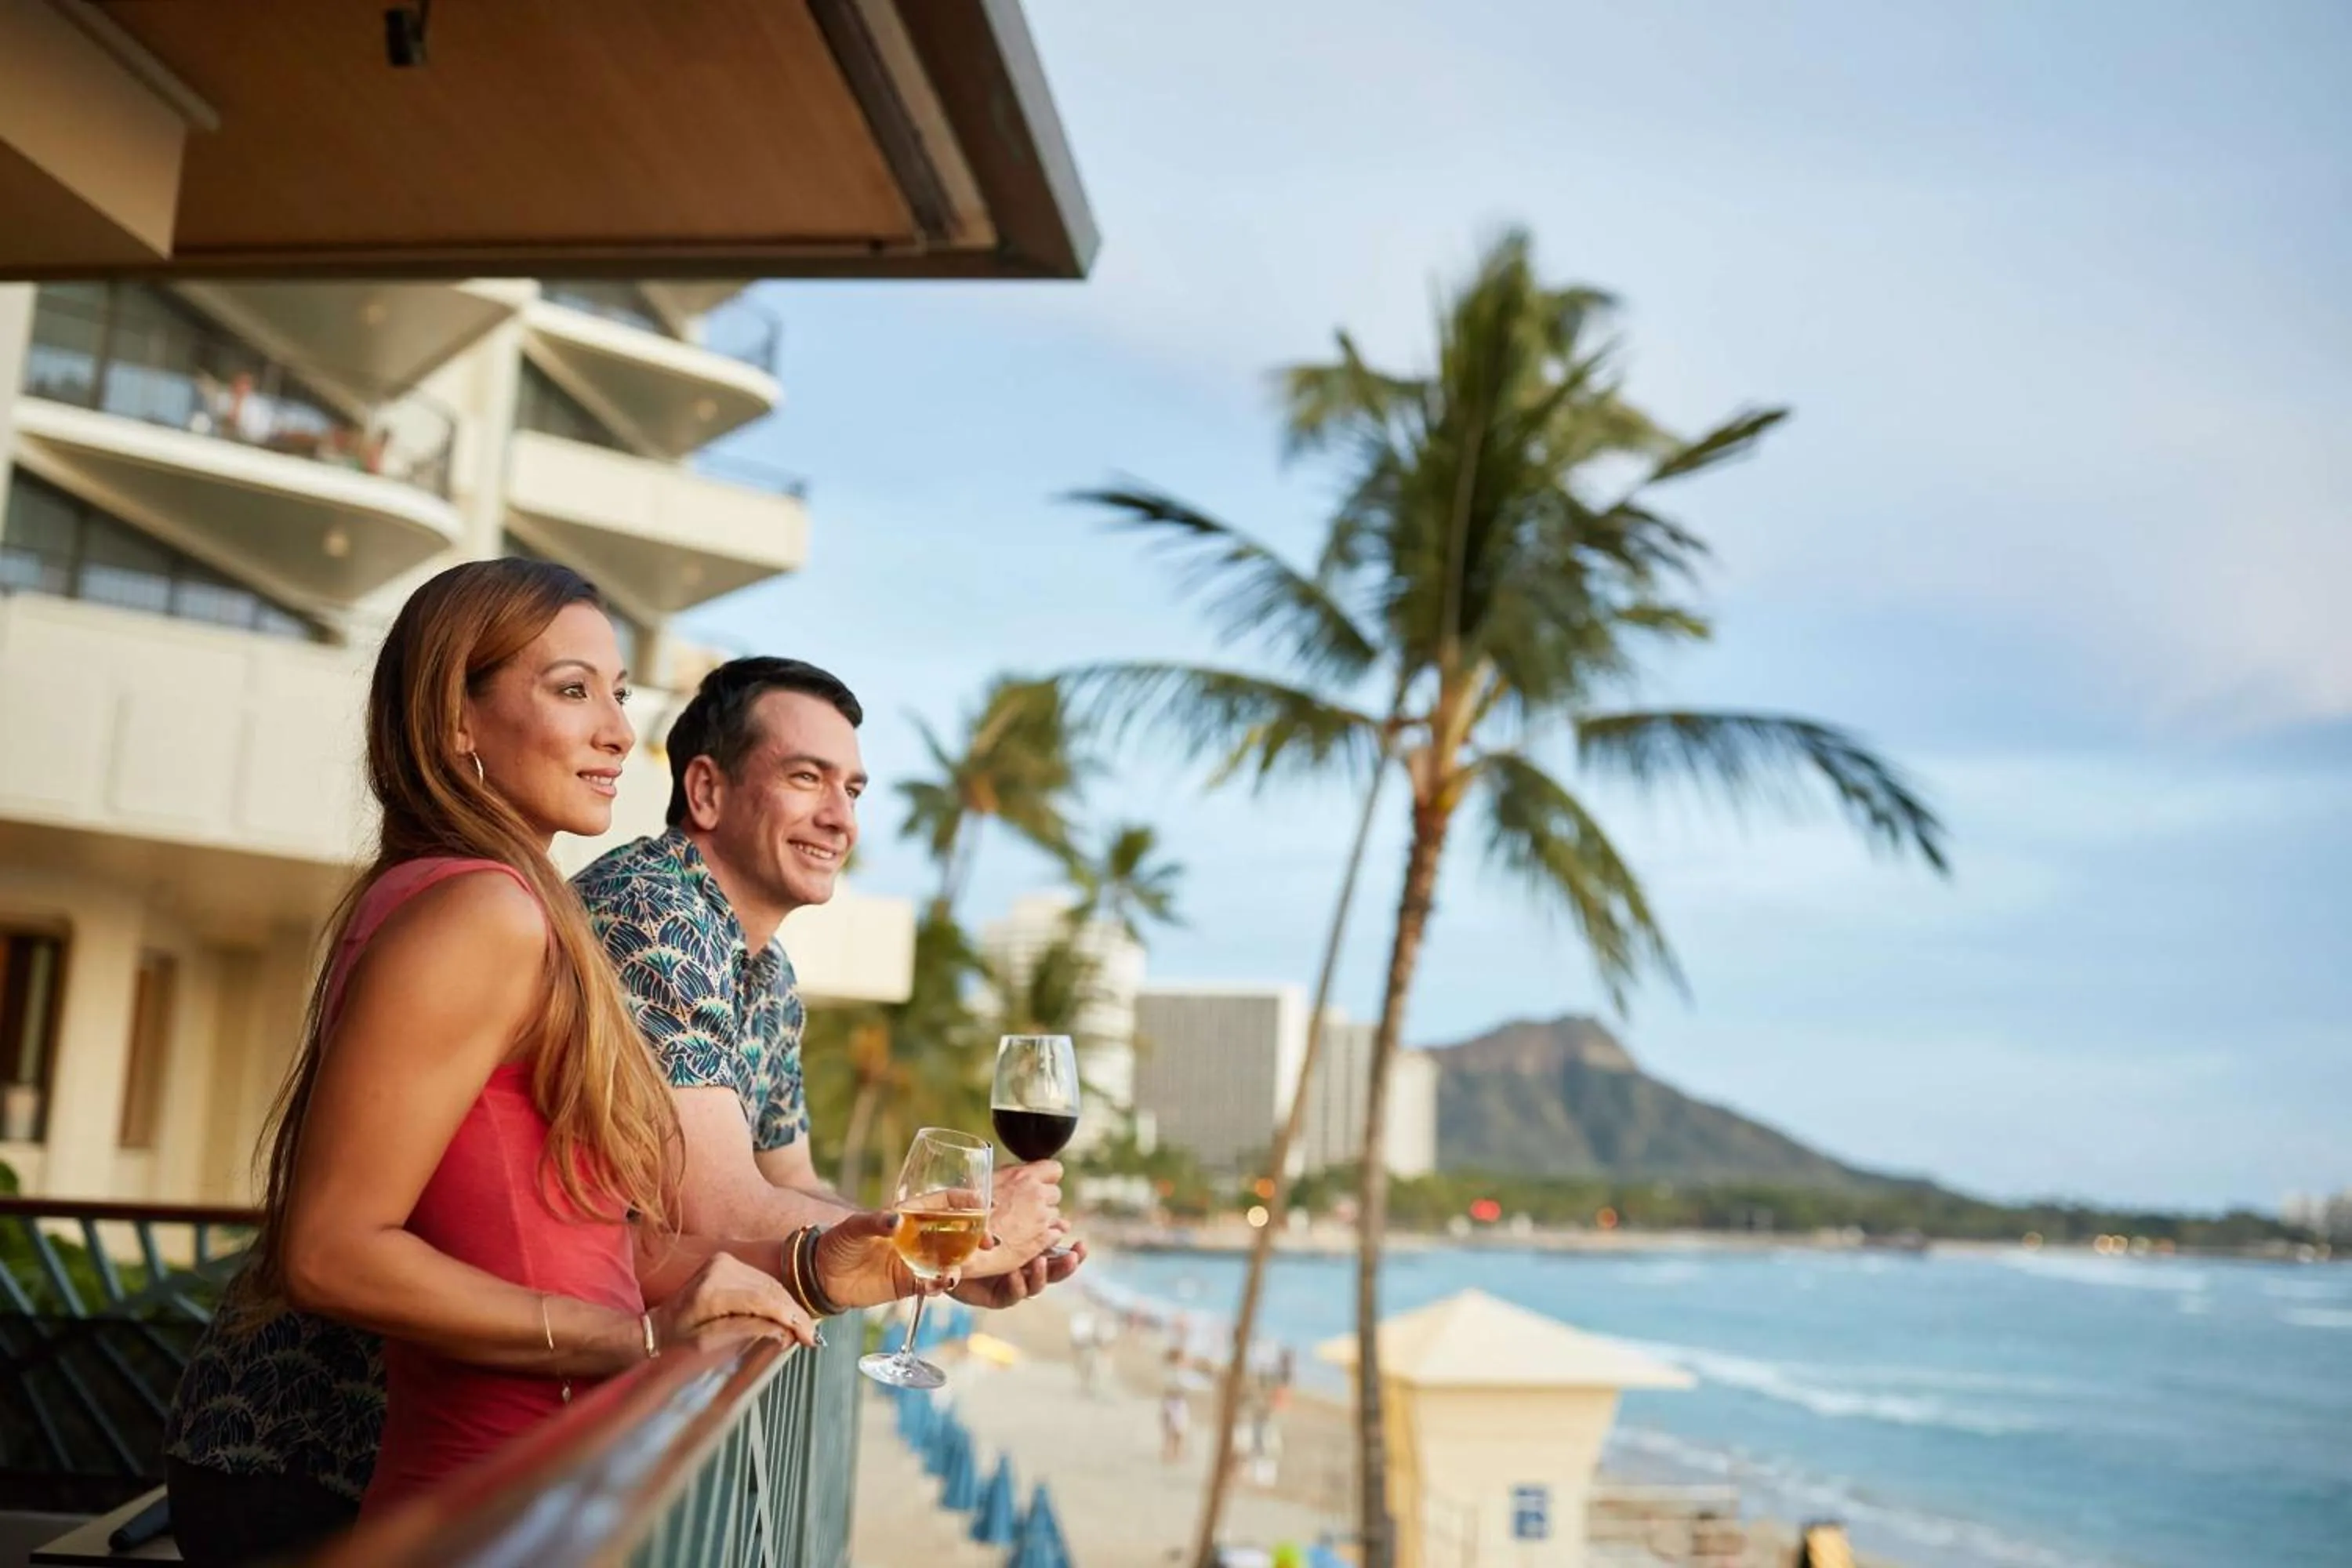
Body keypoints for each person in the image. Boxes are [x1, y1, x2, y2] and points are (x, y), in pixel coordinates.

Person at [158, 564, 946, 1564]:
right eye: (574, 689)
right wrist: (640, 1338)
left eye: (619, 691)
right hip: (417, 1481)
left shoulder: (511, 909)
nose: (620, 730)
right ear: (457, 721)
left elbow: (576, 1223)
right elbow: (330, 1249)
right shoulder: (493, 912)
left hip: (529, 1476)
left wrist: (841, 1257)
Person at [571, 655, 1083, 1309]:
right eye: (807, 778)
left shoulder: (769, 970)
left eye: (854, 791)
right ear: (706, 792)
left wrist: (945, 1262)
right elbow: (718, 1210)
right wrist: (957, 1240)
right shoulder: (655, 911)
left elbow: (792, 1182)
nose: (841, 818)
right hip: (513, 1365)